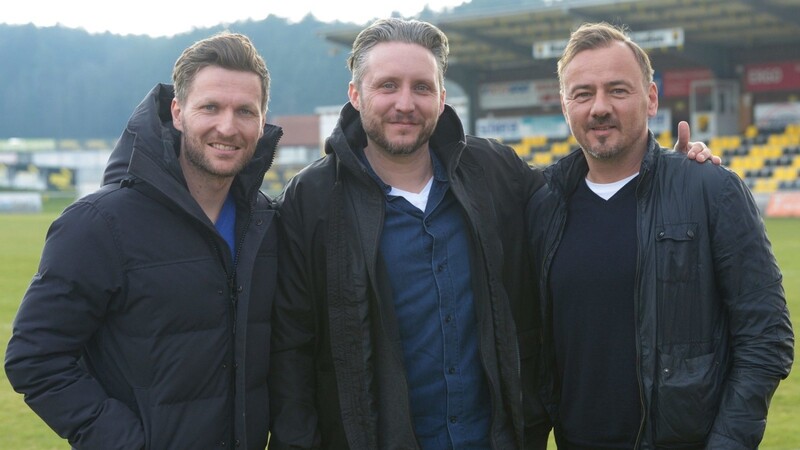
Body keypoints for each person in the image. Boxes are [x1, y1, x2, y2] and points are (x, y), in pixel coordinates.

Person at [267, 18, 715, 450]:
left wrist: (665, 172)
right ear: (356, 95)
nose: (406, 102)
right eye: (388, 85)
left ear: (442, 98)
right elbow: (291, 354)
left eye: (422, 87)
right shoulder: (311, 200)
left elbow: (588, 190)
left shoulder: (495, 172)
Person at [5, 32, 282, 449]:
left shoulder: (267, 223)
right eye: (210, 107)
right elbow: (35, 358)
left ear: (262, 121)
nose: (227, 126)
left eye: (245, 110)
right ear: (178, 111)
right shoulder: (97, 224)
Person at [525, 22, 794, 449]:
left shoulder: (711, 190)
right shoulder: (542, 204)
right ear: (565, 105)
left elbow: (767, 337)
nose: (599, 107)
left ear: (651, 99)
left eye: (617, 90)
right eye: (583, 93)